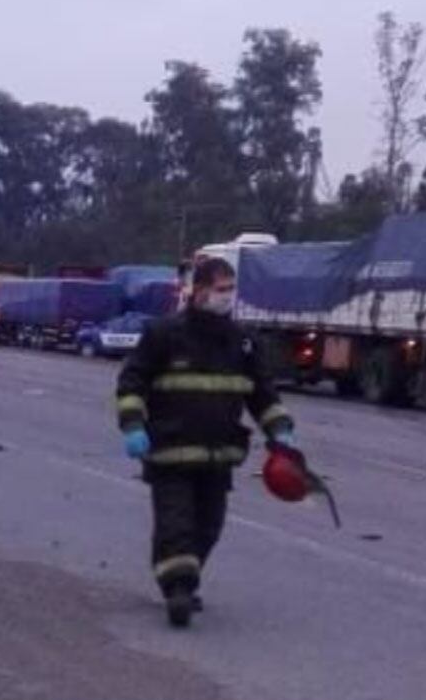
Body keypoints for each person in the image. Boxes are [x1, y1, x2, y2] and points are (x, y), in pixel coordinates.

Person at [115, 257, 298, 628]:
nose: (227, 297)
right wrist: (133, 425)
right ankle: (177, 590)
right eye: (221, 289)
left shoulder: (243, 343)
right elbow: (132, 383)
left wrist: (280, 433)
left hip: (218, 456)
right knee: (176, 522)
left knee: (208, 527)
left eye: (231, 289)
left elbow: (262, 394)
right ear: (198, 291)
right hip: (169, 452)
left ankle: (183, 577)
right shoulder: (164, 335)